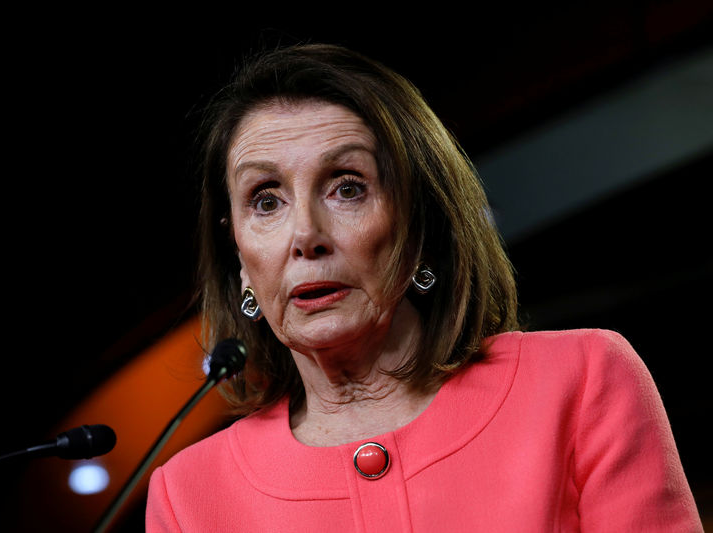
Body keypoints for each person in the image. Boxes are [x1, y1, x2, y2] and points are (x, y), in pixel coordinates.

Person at [146, 43, 702, 532]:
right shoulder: (187, 497)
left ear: (420, 226)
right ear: (239, 257)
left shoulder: (581, 381)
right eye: (266, 200)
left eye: (347, 188)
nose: (306, 236)